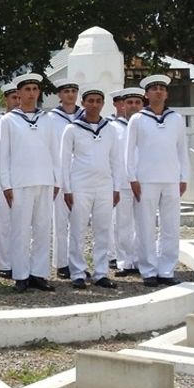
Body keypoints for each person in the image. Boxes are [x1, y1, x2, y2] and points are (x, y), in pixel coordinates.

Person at [0, 73, 61, 293]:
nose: (31, 93)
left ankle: (38, 273)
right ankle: (21, 275)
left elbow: (54, 152)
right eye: (27, 90)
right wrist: (6, 184)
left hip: (44, 181)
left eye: (35, 89)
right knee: (21, 231)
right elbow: (3, 156)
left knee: (43, 229)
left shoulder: (47, 119)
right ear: (19, 93)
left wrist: (57, 179)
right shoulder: (8, 121)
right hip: (20, 182)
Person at [125, 75, 189, 287]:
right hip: (146, 180)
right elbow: (129, 151)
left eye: (162, 88)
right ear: (146, 94)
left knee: (171, 226)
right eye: (154, 89)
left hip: (171, 179)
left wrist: (184, 176)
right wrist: (132, 178)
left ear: (167, 94)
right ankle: (148, 269)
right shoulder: (138, 119)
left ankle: (167, 269)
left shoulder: (176, 119)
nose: (159, 92)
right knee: (145, 226)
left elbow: (182, 150)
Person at [59, 88, 122, 290]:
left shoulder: (109, 129)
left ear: (103, 104)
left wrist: (116, 188)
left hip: (104, 185)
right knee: (77, 229)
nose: (94, 104)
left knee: (102, 230)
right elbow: (64, 162)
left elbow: (116, 160)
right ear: (83, 103)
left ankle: (101, 272)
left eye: (98, 101)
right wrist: (67, 189)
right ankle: (77, 272)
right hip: (80, 185)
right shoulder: (72, 129)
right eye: (90, 101)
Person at [46, 79, 82, 279]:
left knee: (78, 221)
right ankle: (61, 262)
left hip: (80, 173)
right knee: (60, 220)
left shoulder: (84, 115)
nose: (70, 95)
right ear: (59, 95)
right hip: (59, 172)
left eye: (73, 91)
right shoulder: (51, 118)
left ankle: (76, 261)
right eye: (66, 91)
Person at [112, 87, 146, 277]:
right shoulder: (113, 128)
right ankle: (124, 261)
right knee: (123, 223)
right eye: (130, 102)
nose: (134, 106)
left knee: (144, 223)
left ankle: (142, 259)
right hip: (123, 182)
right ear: (122, 105)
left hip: (145, 181)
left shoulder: (147, 125)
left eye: (137, 102)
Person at [0, 81, 20, 279]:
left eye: (19, 97)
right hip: (0, 177)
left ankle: (20, 262)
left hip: (21, 178)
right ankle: (5, 264)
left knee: (22, 224)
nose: (17, 101)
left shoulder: (25, 122)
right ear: (5, 99)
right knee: (2, 224)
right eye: (13, 98)